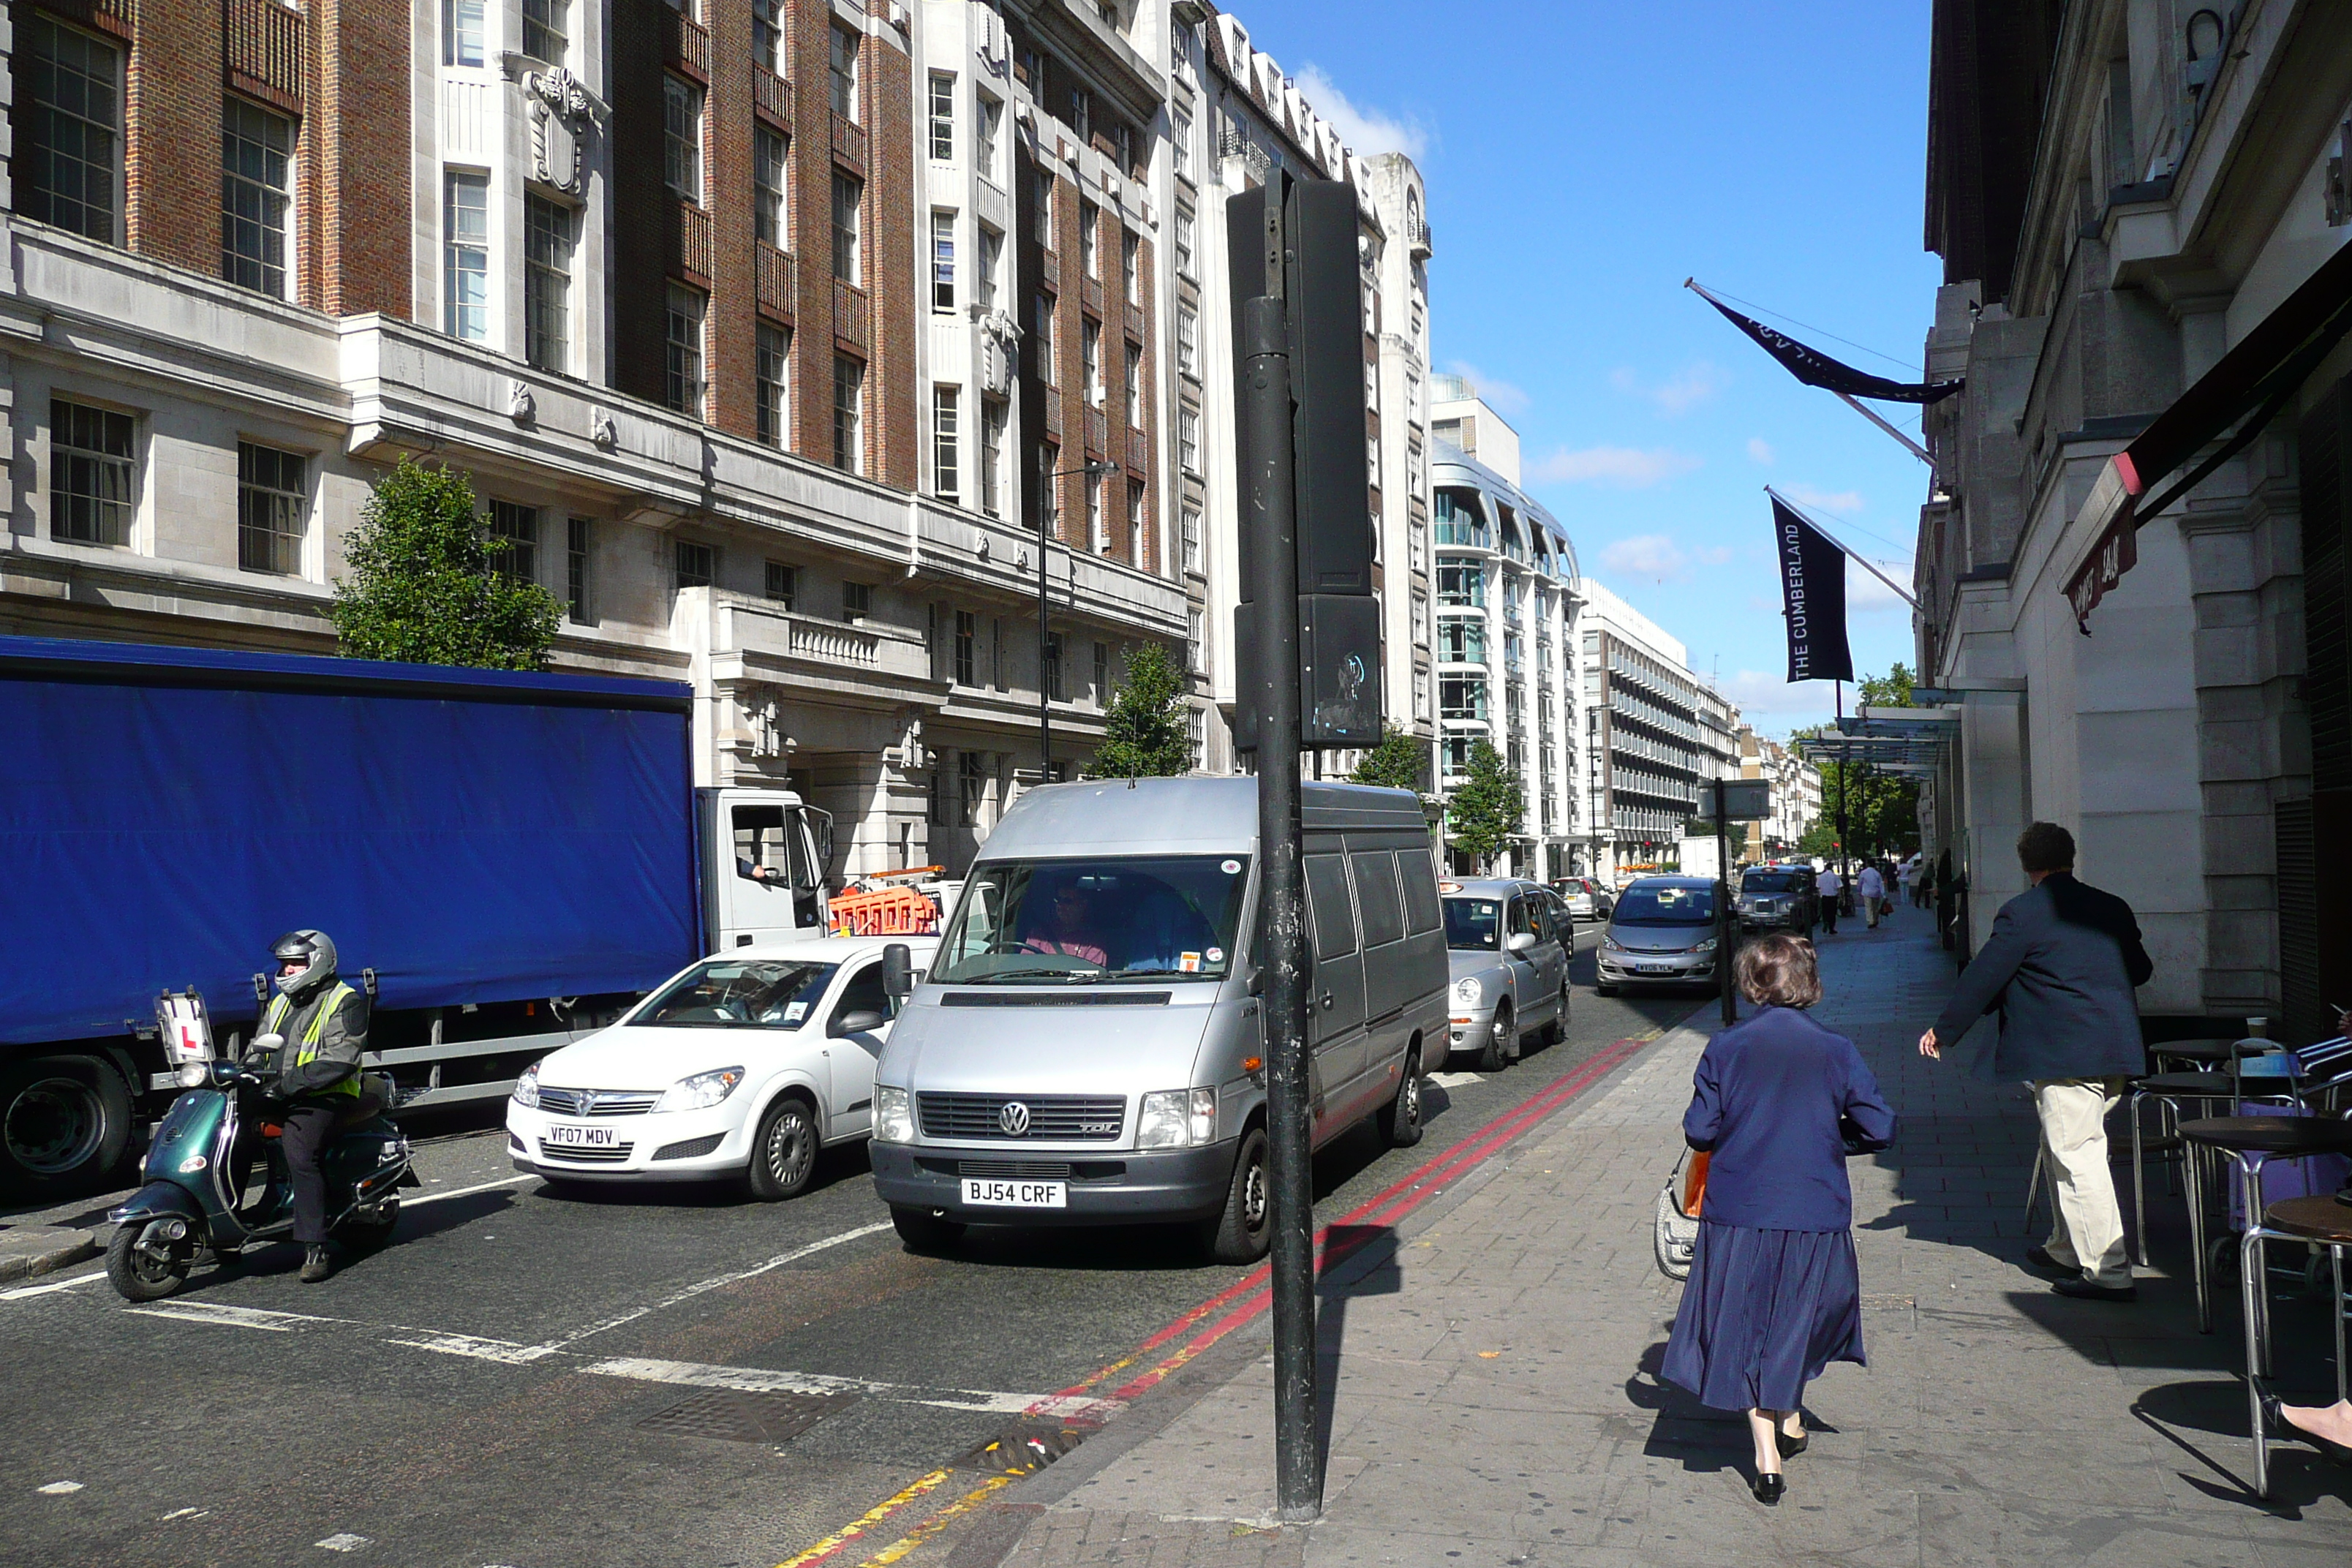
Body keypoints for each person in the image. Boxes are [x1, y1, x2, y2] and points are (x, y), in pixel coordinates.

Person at [1662, 935, 1896, 1506]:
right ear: (1808, 982)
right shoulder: (1836, 1048)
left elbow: (1700, 1131)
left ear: (1751, 982)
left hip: (1740, 1208)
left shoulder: (1726, 1046)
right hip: (1814, 1209)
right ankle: (1785, 1423)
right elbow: (1880, 1127)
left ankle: (1768, 1453)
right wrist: (1830, 1136)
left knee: (1742, 1323)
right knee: (1798, 1318)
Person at [1918, 822, 2152, 1300]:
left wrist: (1945, 1032)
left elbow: (1985, 977)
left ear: (2027, 865)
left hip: (2064, 1052)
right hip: (2115, 1051)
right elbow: (2142, 970)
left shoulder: (2022, 914)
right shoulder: (2111, 906)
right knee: (2064, 1144)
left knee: (2077, 1154)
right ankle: (2066, 1245)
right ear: (2071, 856)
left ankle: (2109, 1271)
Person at [245, 930, 369, 1284]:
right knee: (230, 1134)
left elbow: (340, 1060)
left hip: (326, 1096)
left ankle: (315, 1246)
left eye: (295, 963)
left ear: (318, 963)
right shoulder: (280, 1002)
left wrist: (286, 1088)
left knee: (299, 1151)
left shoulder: (345, 1001)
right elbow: (260, 1046)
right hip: (281, 1092)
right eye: (283, 964)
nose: (286, 971)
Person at [1021, 880, 1110, 968]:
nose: (1061, 906)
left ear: (1082, 905)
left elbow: (1092, 976)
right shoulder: (1038, 935)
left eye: (1067, 901)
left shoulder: (1093, 941)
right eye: (1058, 900)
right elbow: (1025, 967)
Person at [1857, 861, 1886, 929]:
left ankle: (1871, 921)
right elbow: (1881, 884)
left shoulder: (1863, 873)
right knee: (1875, 907)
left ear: (1868, 864)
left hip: (1867, 892)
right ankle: (1875, 920)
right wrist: (1883, 894)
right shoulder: (1877, 873)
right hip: (1876, 892)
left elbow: (1860, 882)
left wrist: (1859, 890)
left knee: (1869, 907)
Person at [1814, 864, 1842, 936]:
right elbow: (1839, 887)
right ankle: (1831, 928)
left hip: (1824, 896)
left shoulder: (1821, 877)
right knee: (1833, 913)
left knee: (1825, 912)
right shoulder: (1835, 876)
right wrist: (1840, 896)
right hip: (1833, 896)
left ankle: (1825, 922)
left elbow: (1818, 887)